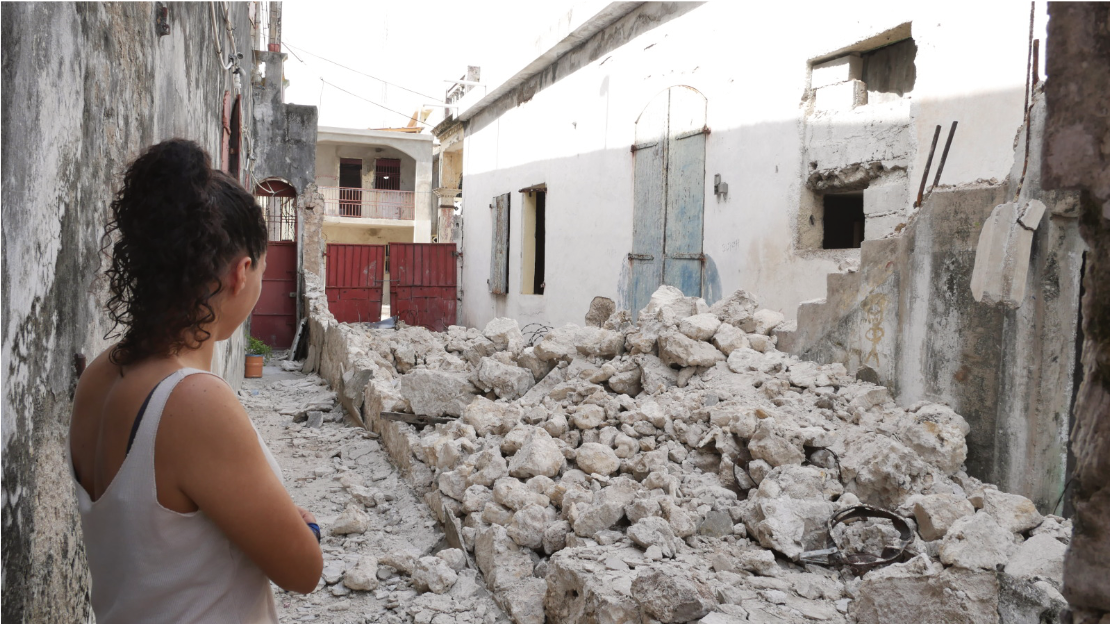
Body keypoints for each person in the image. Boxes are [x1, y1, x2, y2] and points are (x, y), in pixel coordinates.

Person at [68, 139, 323, 623]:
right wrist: (301, 526)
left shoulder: (98, 378)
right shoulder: (192, 401)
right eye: (263, 275)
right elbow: (302, 570)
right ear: (241, 272)